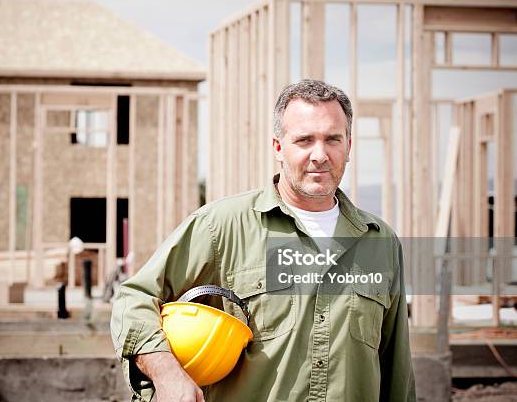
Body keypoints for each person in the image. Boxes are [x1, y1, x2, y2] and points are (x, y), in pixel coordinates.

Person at [111, 79, 416, 402]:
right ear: (278, 147)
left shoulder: (380, 242)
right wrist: (167, 374)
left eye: (332, 139)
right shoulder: (221, 226)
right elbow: (134, 299)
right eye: (304, 140)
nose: (320, 155)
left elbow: (396, 367)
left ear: (349, 147)